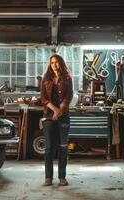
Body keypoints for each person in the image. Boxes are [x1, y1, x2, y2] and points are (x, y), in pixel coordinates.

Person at [40, 54, 73, 186]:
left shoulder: (67, 78)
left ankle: (62, 177)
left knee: (63, 147)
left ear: (61, 63)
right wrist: (55, 110)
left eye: (57, 62)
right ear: (50, 64)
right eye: (52, 62)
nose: (54, 64)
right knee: (48, 148)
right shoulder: (46, 78)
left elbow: (68, 96)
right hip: (49, 115)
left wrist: (60, 111)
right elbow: (43, 98)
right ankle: (48, 178)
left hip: (63, 116)